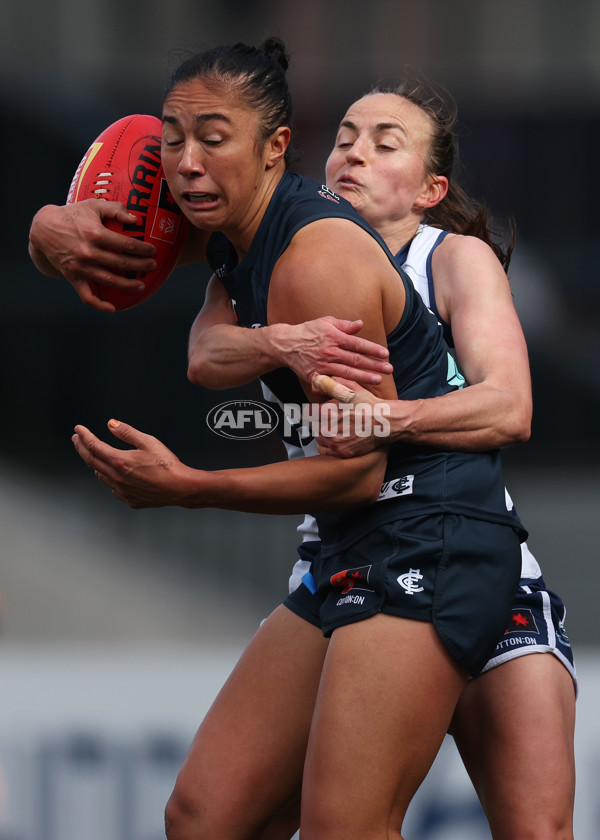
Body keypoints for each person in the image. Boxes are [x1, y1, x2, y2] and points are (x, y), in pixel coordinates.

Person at [27, 50, 574, 840]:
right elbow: (196, 339)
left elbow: (500, 412)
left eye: (387, 141)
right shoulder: (250, 236)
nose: (355, 149)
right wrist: (48, 227)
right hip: (350, 542)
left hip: (434, 534)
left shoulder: (414, 257)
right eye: (347, 133)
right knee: (205, 816)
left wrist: (195, 484)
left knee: (493, 826)